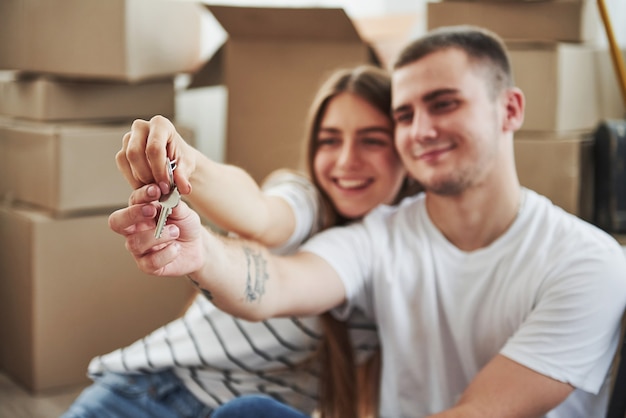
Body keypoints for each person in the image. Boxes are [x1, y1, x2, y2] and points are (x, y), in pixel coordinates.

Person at [108, 25, 626, 417]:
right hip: (158, 382)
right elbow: (277, 280)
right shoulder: (379, 232)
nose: (421, 130)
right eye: (404, 115)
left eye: (444, 104)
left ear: (509, 110)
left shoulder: (589, 262)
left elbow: (477, 413)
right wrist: (202, 253)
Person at [62, 65, 420, 418]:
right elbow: (260, 213)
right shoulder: (306, 200)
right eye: (329, 140)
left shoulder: (401, 251)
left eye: (372, 140)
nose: (346, 160)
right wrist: (188, 163)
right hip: (155, 395)